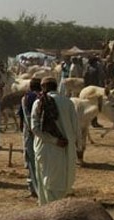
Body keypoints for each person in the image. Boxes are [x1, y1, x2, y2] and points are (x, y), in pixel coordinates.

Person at [30, 77, 79, 205]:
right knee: (60, 183)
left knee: (45, 183)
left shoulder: (38, 103)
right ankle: (56, 214)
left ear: (43, 88)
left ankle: (47, 213)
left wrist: (53, 140)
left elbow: (35, 128)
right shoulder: (68, 102)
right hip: (64, 149)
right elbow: (75, 128)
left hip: (44, 148)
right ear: (56, 87)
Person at [19, 78, 42, 198]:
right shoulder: (43, 98)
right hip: (43, 134)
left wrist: (31, 130)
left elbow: (25, 117)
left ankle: (33, 187)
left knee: (31, 160)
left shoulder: (26, 98)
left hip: (29, 133)